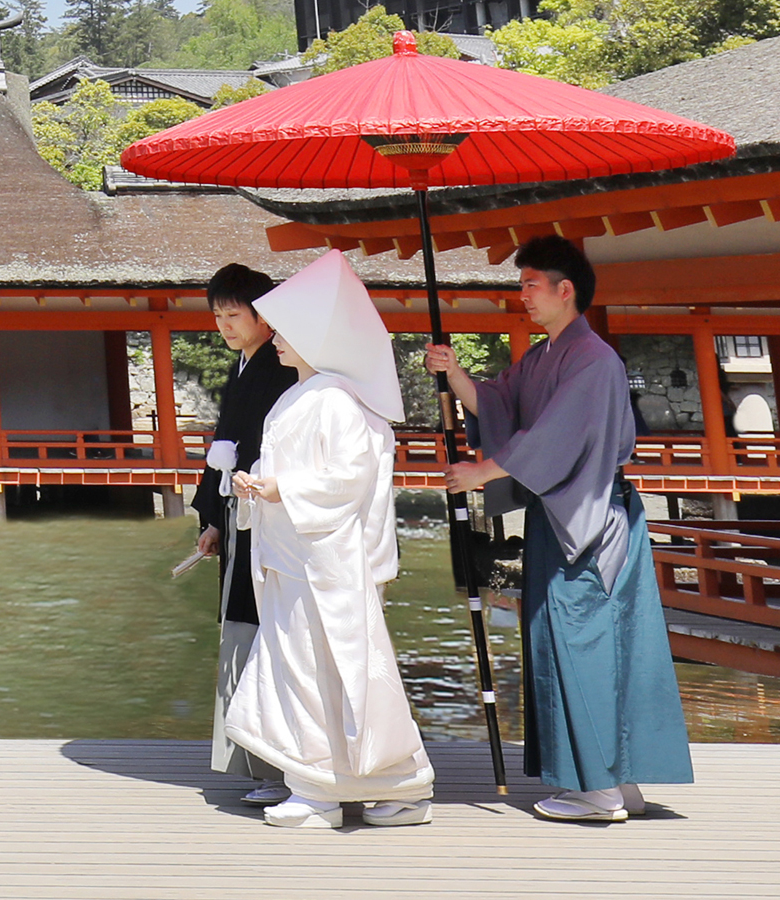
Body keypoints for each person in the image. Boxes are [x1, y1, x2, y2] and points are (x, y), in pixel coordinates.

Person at [426, 235, 693, 823]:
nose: (521, 296)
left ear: (563, 290)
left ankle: (595, 790)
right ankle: (616, 782)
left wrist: (481, 472)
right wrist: (455, 374)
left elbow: (550, 440)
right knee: (576, 641)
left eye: (529, 285)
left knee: (583, 643)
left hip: (590, 520)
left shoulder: (594, 360)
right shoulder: (547, 355)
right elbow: (501, 405)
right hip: (562, 515)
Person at [227, 250, 435, 829]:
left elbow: (347, 479)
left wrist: (279, 488)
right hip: (298, 555)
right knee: (310, 670)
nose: (276, 341)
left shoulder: (338, 400)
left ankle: (350, 787)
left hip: (325, 560)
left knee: (336, 671)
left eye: (290, 332)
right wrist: (256, 489)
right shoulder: (302, 396)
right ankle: (331, 783)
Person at [187, 264, 300, 806]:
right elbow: (224, 444)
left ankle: (277, 770)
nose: (225, 325)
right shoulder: (246, 366)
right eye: (218, 315)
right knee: (244, 628)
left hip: (269, 516)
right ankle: (262, 766)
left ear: (264, 315)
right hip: (241, 516)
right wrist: (212, 519)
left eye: (234, 314)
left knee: (261, 630)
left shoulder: (280, 369)